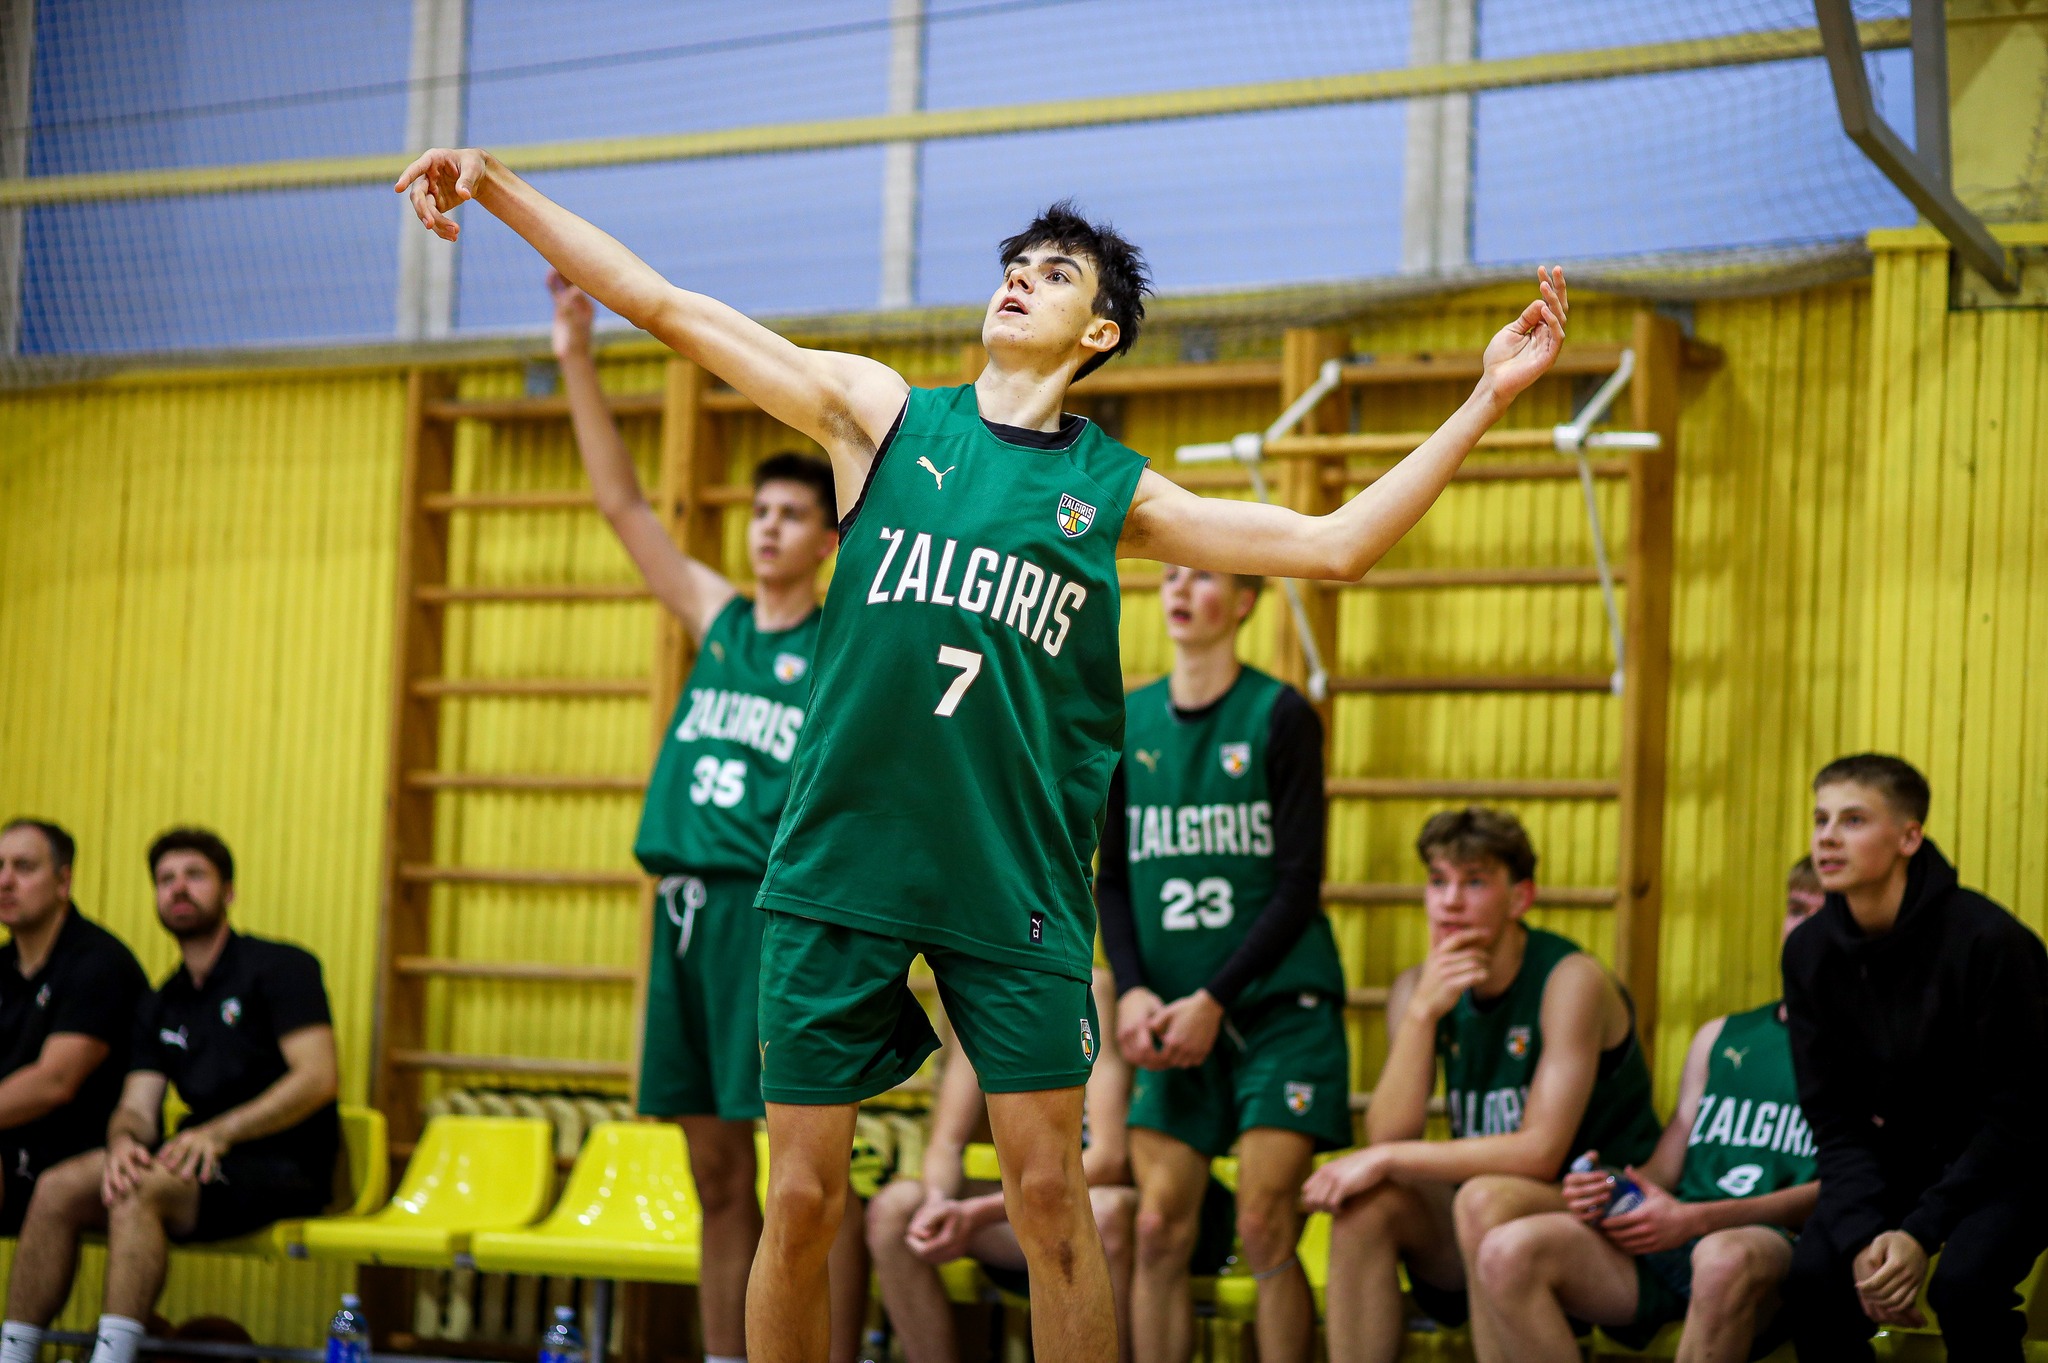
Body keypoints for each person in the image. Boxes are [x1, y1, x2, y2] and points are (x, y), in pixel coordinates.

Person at [396, 144, 1567, 1363]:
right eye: (1014, 263)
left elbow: (1335, 546)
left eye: (1053, 273)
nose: (1018, 278)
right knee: (799, 1200)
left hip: (1010, 882)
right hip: (840, 860)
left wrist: (1483, 398)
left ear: (1099, 333)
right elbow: (663, 305)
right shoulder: (878, 416)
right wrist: (496, 186)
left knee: (1052, 1204)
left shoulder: (1113, 493)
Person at [547, 273, 869, 1363]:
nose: (769, 526)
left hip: (763, 918)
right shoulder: (717, 616)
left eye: (792, 515)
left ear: (826, 540)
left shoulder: (837, 640)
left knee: (798, 1180)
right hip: (681, 916)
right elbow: (622, 508)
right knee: (714, 1175)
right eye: (761, 511)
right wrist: (576, 354)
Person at [1095, 566, 1349, 1363]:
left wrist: (1216, 995)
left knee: (1265, 1222)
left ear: (1243, 602)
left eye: (1202, 576)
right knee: (1156, 1224)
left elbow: (1300, 884)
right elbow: (1111, 879)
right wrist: (1133, 988)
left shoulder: (1281, 714)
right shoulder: (1129, 720)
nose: (1179, 588)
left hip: (1275, 1009)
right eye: (1171, 574)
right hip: (1171, 1013)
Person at [1301, 807, 1660, 1363]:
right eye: (1437, 881)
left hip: (1605, 1214)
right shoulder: (1419, 989)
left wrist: (1385, 1157)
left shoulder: (1571, 980)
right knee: (1364, 1205)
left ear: (1520, 898)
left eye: (1474, 883)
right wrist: (1421, 1015)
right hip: (1486, 1216)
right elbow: (1390, 1133)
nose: (1449, 902)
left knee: (1483, 1196)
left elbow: (1541, 1153)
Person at [0, 829, 340, 1363]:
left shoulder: (281, 967)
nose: (178, 888)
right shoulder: (162, 1001)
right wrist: (123, 1143)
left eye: (195, 875)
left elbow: (318, 1078)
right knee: (59, 1185)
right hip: (199, 1160)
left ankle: (111, 1358)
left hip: (283, 1162)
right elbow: (137, 1105)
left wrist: (220, 1132)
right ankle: (13, 1355)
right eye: (165, 879)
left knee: (141, 1190)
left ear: (228, 891)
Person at [1469, 857, 1826, 1362]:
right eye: (1796, 910)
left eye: (1827, 914)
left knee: (1722, 1256)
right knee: (1507, 1251)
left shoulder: (1879, 1050)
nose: (1805, 928)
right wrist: (1609, 1187)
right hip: (1679, 1234)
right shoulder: (1722, 1037)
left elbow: (1844, 1191)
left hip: (1775, 1247)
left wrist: (1698, 1219)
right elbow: (1662, 1171)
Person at [1781, 754, 2048, 1362]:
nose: (1827, 836)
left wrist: (1919, 1234)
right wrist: (1862, 1237)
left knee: (1966, 1286)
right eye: (1821, 819)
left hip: (2018, 1153)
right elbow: (1834, 1118)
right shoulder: (1809, 952)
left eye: (1853, 820)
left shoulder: (1989, 941)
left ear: (1909, 837)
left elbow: (2020, 1115)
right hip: (1908, 1153)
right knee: (1817, 1278)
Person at [867, 971, 1142, 1363]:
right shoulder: (976, 985)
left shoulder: (1089, 986)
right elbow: (946, 1144)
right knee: (895, 1210)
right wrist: (939, 1202)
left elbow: (1110, 1158)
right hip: (1015, 1205)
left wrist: (979, 1212)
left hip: (1080, 1198)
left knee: (1106, 1211)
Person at [0, 820, 151, 1237]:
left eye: (24, 867)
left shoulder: (98, 962)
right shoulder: (3, 965)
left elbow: (55, 1082)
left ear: (63, 882)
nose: (5, 881)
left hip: (81, 1149)